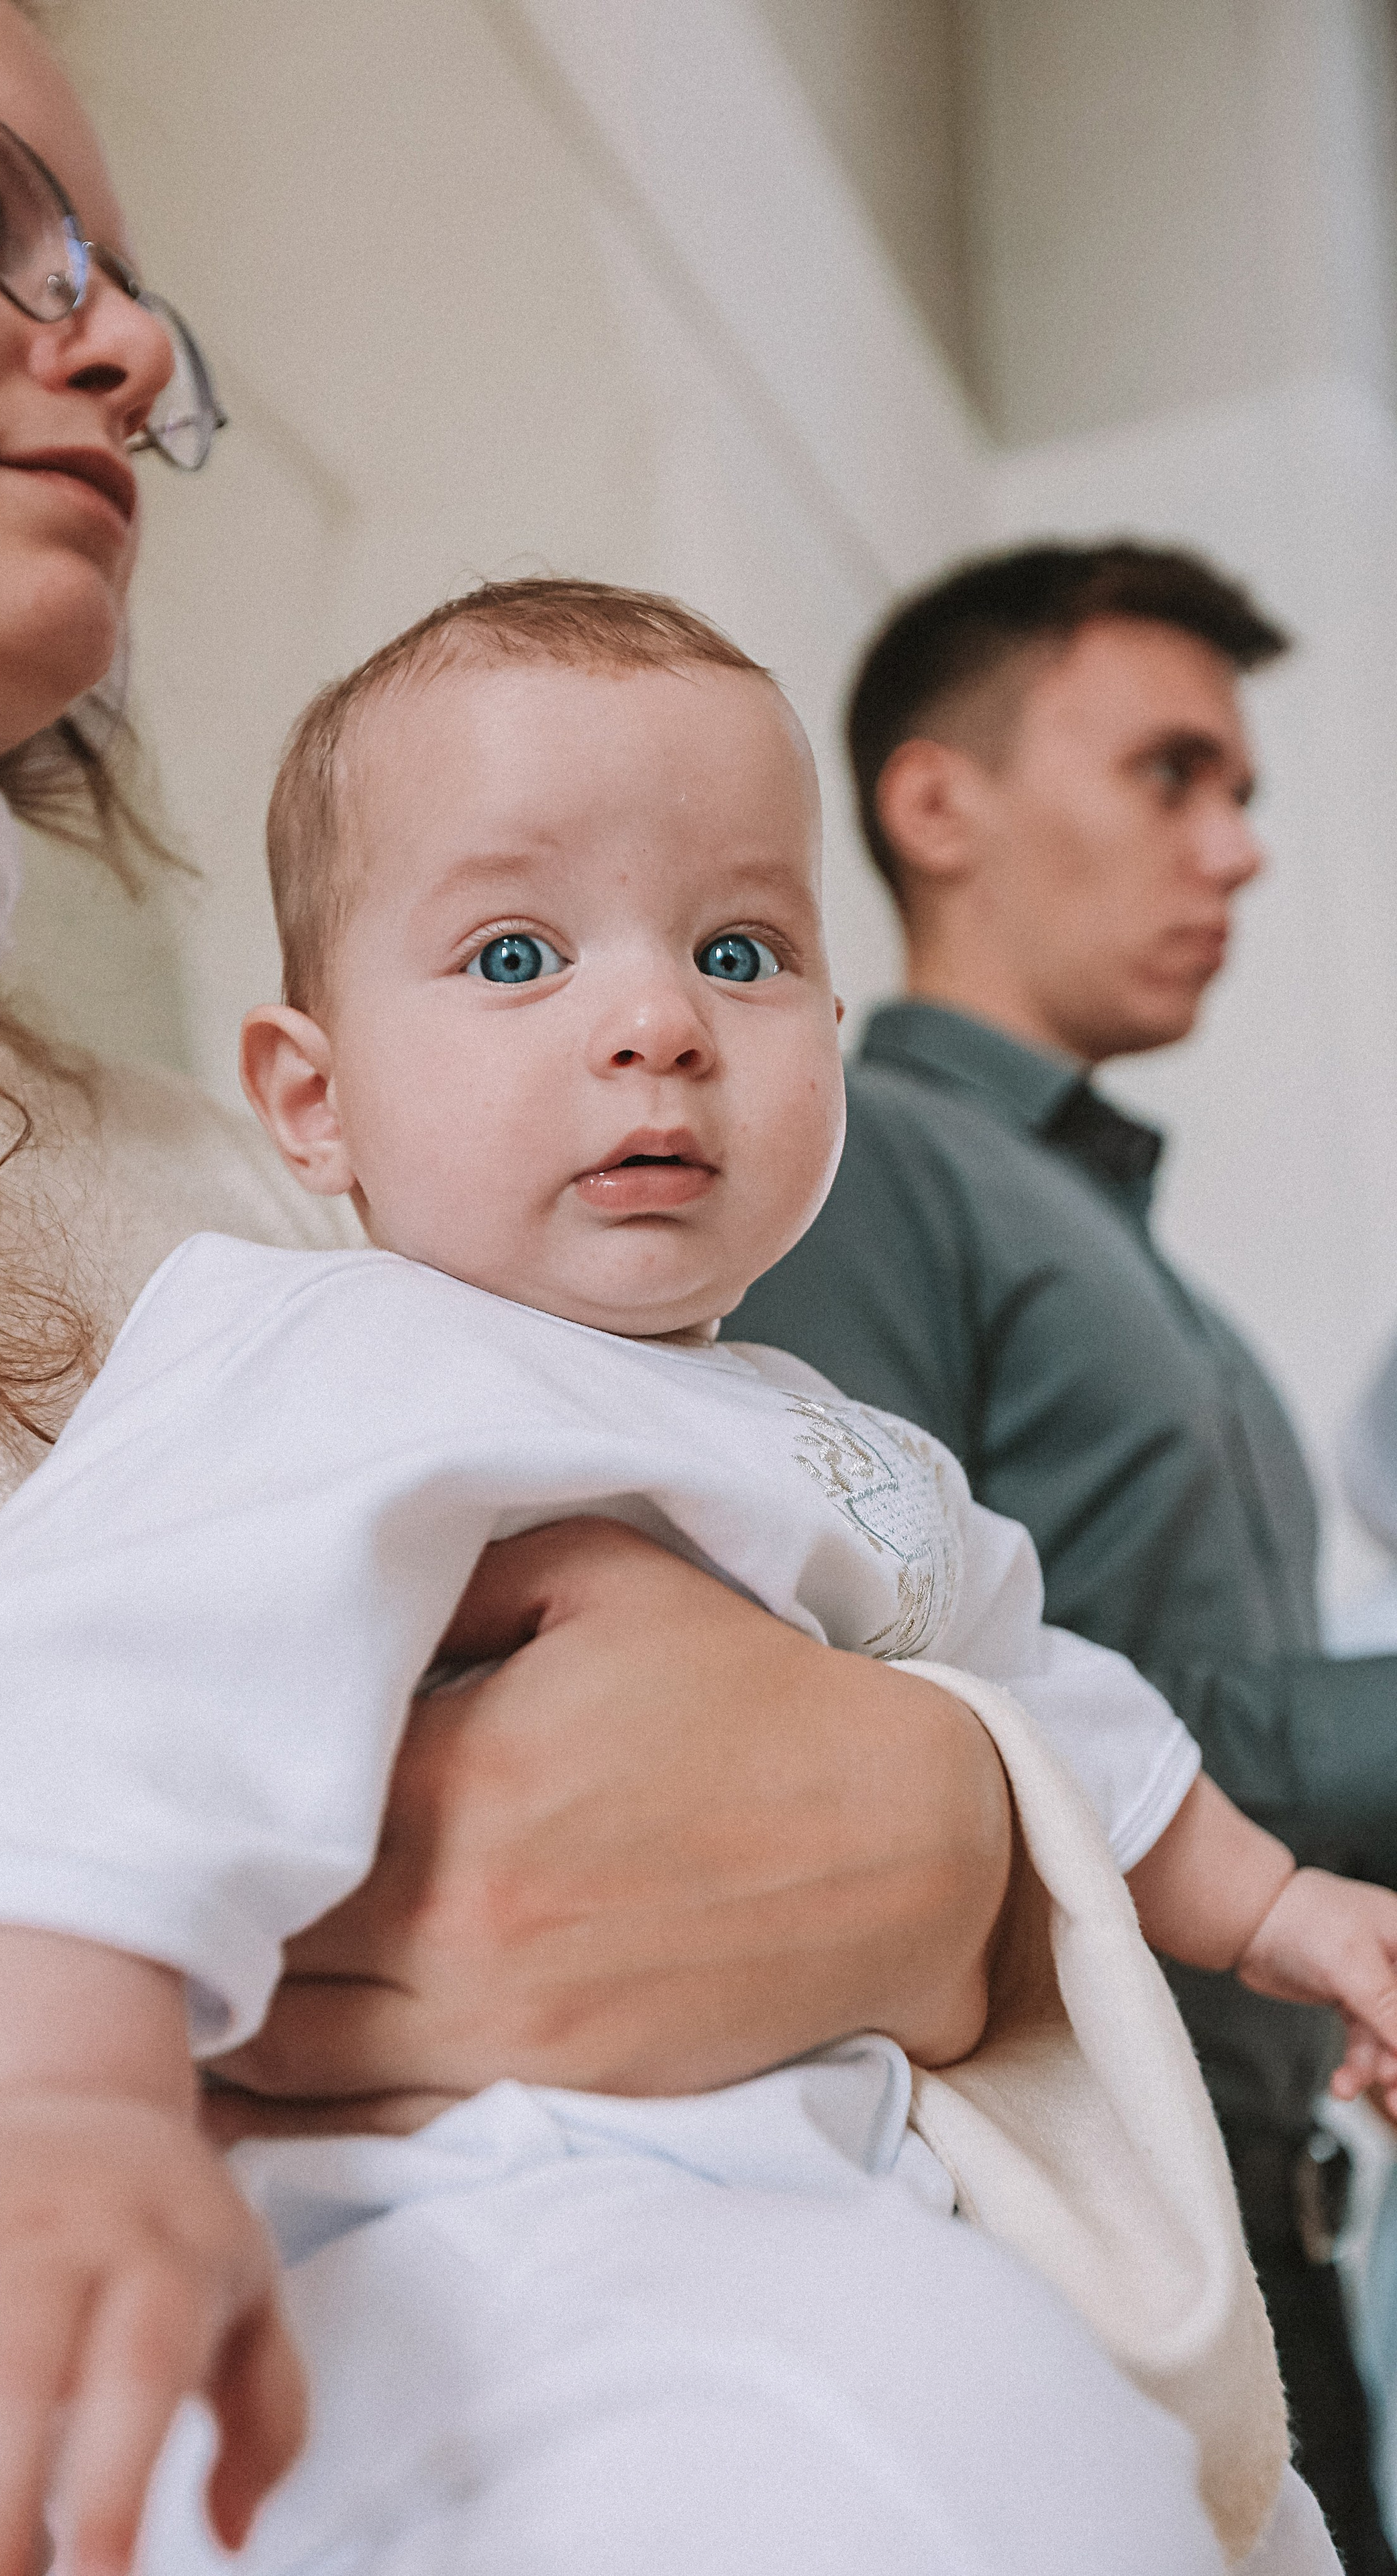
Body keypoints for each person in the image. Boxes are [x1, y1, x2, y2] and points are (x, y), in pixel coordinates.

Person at [0, 1, 1034, 2558]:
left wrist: (953, 1841)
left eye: (127, 276)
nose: (125, 342)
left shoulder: (299, 1200)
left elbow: (843, 1608)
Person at [0, 580, 1369, 2576]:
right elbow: (75, 1725)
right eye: (516, 955)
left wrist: (1284, 1911)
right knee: (999, 2464)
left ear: (831, 1040)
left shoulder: (840, 1449)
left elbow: (1062, 1717)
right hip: (456, 2235)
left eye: (739, 952)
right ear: (313, 1099)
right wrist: (35, 2120)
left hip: (806, 2211)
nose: (656, 1023)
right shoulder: (321, 1360)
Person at [731, 539, 1397, 2573]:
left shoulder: (1121, 1244)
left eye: (1244, 794)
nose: (1238, 849)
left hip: (1260, 2208)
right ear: (940, 804)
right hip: (1066, 2235)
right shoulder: (851, 1160)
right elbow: (892, 1701)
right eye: (1172, 775)